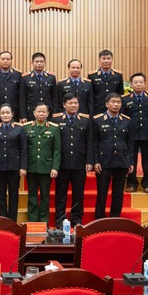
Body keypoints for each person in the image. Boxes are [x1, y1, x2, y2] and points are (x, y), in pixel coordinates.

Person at [52, 93, 92, 227]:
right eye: (70, 103)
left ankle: (76, 219)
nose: (73, 105)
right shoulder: (56, 120)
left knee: (78, 193)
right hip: (62, 164)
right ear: (64, 105)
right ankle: (60, 218)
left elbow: (89, 142)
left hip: (79, 162)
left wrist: (89, 161)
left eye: (75, 103)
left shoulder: (85, 120)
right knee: (60, 193)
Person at [93, 93, 134, 218]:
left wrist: (131, 162)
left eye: (118, 102)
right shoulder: (97, 120)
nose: (116, 104)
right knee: (102, 192)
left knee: (118, 193)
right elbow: (94, 142)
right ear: (106, 104)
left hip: (121, 162)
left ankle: (115, 218)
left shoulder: (127, 121)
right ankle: (99, 219)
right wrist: (95, 161)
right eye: (113, 102)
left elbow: (130, 143)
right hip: (104, 162)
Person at [123, 73, 148, 193]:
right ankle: (132, 183)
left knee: (147, 160)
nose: (138, 84)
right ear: (131, 84)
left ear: (144, 83)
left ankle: (147, 183)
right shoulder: (125, 99)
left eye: (141, 82)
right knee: (131, 160)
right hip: (131, 135)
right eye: (136, 82)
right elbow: (123, 118)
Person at [24, 103, 60, 223]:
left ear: (47, 114)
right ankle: (33, 221)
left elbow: (57, 150)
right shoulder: (26, 127)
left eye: (43, 112)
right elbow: (24, 149)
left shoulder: (54, 128)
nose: (41, 114)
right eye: (38, 111)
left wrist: (55, 167)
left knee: (45, 196)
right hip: (31, 167)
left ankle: (44, 221)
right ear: (34, 113)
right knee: (32, 196)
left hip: (46, 168)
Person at [0, 104, 26, 222]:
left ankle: (12, 220)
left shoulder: (19, 128)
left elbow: (23, 149)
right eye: (3, 113)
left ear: (12, 114)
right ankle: (3, 219)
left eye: (7, 113)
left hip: (14, 167)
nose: (5, 115)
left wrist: (23, 167)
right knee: (0, 194)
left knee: (13, 195)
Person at [19, 52, 57, 122]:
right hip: (31, 113)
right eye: (37, 61)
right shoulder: (25, 78)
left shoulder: (51, 77)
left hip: (48, 113)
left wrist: (55, 114)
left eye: (41, 61)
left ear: (44, 62)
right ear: (32, 63)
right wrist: (23, 116)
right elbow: (22, 98)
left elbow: (54, 98)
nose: (39, 63)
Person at [87, 49, 124, 117]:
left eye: (108, 58)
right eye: (103, 58)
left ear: (112, 59)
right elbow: (90, 96)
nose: (106, 61)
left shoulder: (118, 75)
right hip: (97, 110)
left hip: (114, 110)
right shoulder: (92, 75)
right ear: (99, 60)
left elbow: (120, 94)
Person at [0, 51, 21, 121]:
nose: (5, 61)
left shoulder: (18, 75)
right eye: (3, 59)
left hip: (14, 111)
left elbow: (21, 96)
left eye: (8, 59)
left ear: (11, 60)